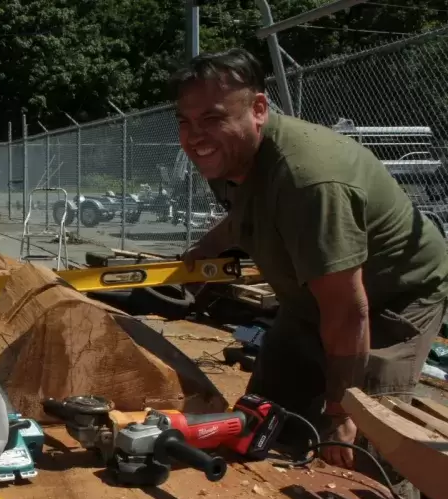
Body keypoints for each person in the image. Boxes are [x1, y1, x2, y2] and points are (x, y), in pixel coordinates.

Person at [173, 48, 448, 476]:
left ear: (258, 109)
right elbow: (242, 217)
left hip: (390, 300)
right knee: (264, 417)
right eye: (185, 123)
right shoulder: (233, 159)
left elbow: (347, 311)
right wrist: (197, 259)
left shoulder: (310, 182)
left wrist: (341, 413)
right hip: (310, 300)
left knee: (367, 446)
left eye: (212, 118)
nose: (196, 137)